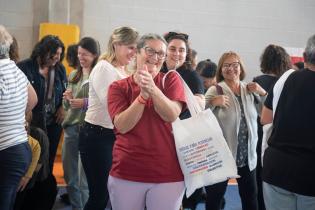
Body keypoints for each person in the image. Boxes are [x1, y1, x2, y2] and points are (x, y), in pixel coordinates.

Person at [107, 33, 186, 210]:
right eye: (150, 51)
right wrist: (142, 97)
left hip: (168, 173)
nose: (155, 57)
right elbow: (122, 125)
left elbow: (172, 114)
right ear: (137, 52)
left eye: (161, 54)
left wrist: (152, 89)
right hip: (127, 171)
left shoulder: (171, 80)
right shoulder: (118, 87)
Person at [78, 26, 139, 210]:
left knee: (111, 194)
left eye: (136, 48)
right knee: (100, 196)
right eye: (130, 47)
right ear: (116, 45)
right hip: (97, 136)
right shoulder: (105, 68)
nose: (134, 52)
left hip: (113, 136)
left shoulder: (125, 71)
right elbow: (115, 107)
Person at [205, 51, 267, 210]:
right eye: (226, 65)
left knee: (250, 200)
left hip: (248, 157)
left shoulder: (250, 89)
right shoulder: (215, 90)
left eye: (234, 65)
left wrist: (263, 93)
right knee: (214, 200)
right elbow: (197, 113)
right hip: (222, 157)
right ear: (220, 69)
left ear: (241, 68)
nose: (230, 68)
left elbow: (266, 114)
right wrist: (212, 102)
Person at [260, 35, 315, 210]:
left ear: (305, 57)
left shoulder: (285, 79)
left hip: (277, 168)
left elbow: (265, 119)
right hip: (309, 173)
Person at [17, 34, 67, 210]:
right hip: (33, 124)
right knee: (30, 161)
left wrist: (62, 107)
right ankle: (25, 197)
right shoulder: (24, 67)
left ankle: (41, 199)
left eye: (59, 54)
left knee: (48, 161)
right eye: (53, 54)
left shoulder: (59, 70)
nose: (56, 58)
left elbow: (65, 93)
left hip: (53, 123)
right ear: (41, 51)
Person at [161, 31, 204, 210]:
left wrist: (179, 103)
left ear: (187, 53)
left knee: (176, 190)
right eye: (172, 49)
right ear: (164, 50)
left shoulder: (191, 75)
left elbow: (200, 104)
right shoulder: (157, 70)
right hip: (156, 137)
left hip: (181, 140)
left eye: (181, 50)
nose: (177, 54)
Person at [0, 25, 37, 210]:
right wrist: (17, 116)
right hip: (18, 148)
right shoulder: (14, 69)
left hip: (5, 151)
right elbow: (33, 99)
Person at [62, 37, 100, 210]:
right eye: (79, 54)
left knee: (83, 180)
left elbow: (104, 103)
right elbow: (66, 106)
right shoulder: (73, 75)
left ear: (94, 55)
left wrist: (84, 103)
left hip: (88, 131)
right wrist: (67, 99)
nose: (81, 57)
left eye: (85, 54)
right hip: (71, 130)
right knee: (70, 178)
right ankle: (77, 207)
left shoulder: (99, 75)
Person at [252, 44, 292, 210]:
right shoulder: (287, 82)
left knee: (260, 180)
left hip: (259, 135)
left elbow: (255, 113)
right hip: (280, 137)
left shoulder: (257, 81)